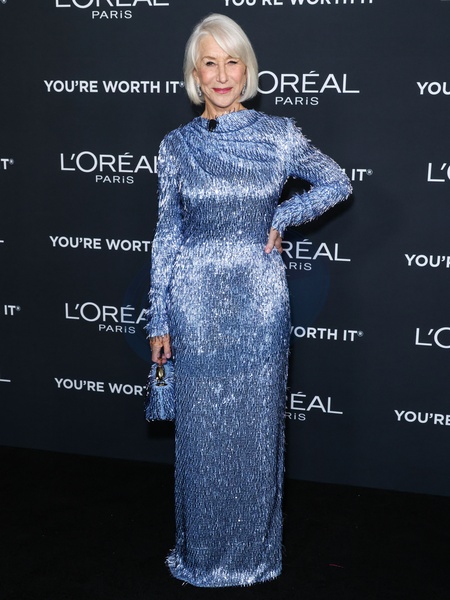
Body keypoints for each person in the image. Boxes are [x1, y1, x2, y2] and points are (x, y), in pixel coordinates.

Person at [145, 13, 352, 588]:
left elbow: (336, 181)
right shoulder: (177, 146)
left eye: (231, 61)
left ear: (246, 69)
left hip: (259, 302)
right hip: (194, 301)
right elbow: (168, 234)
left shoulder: (278, 135)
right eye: (209, 63)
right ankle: (202, 556)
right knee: (200, 438)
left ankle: (252, 558)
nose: (221, 74)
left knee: (257, 435)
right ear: (194, 74)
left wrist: (283, 215)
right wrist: (159, 315)